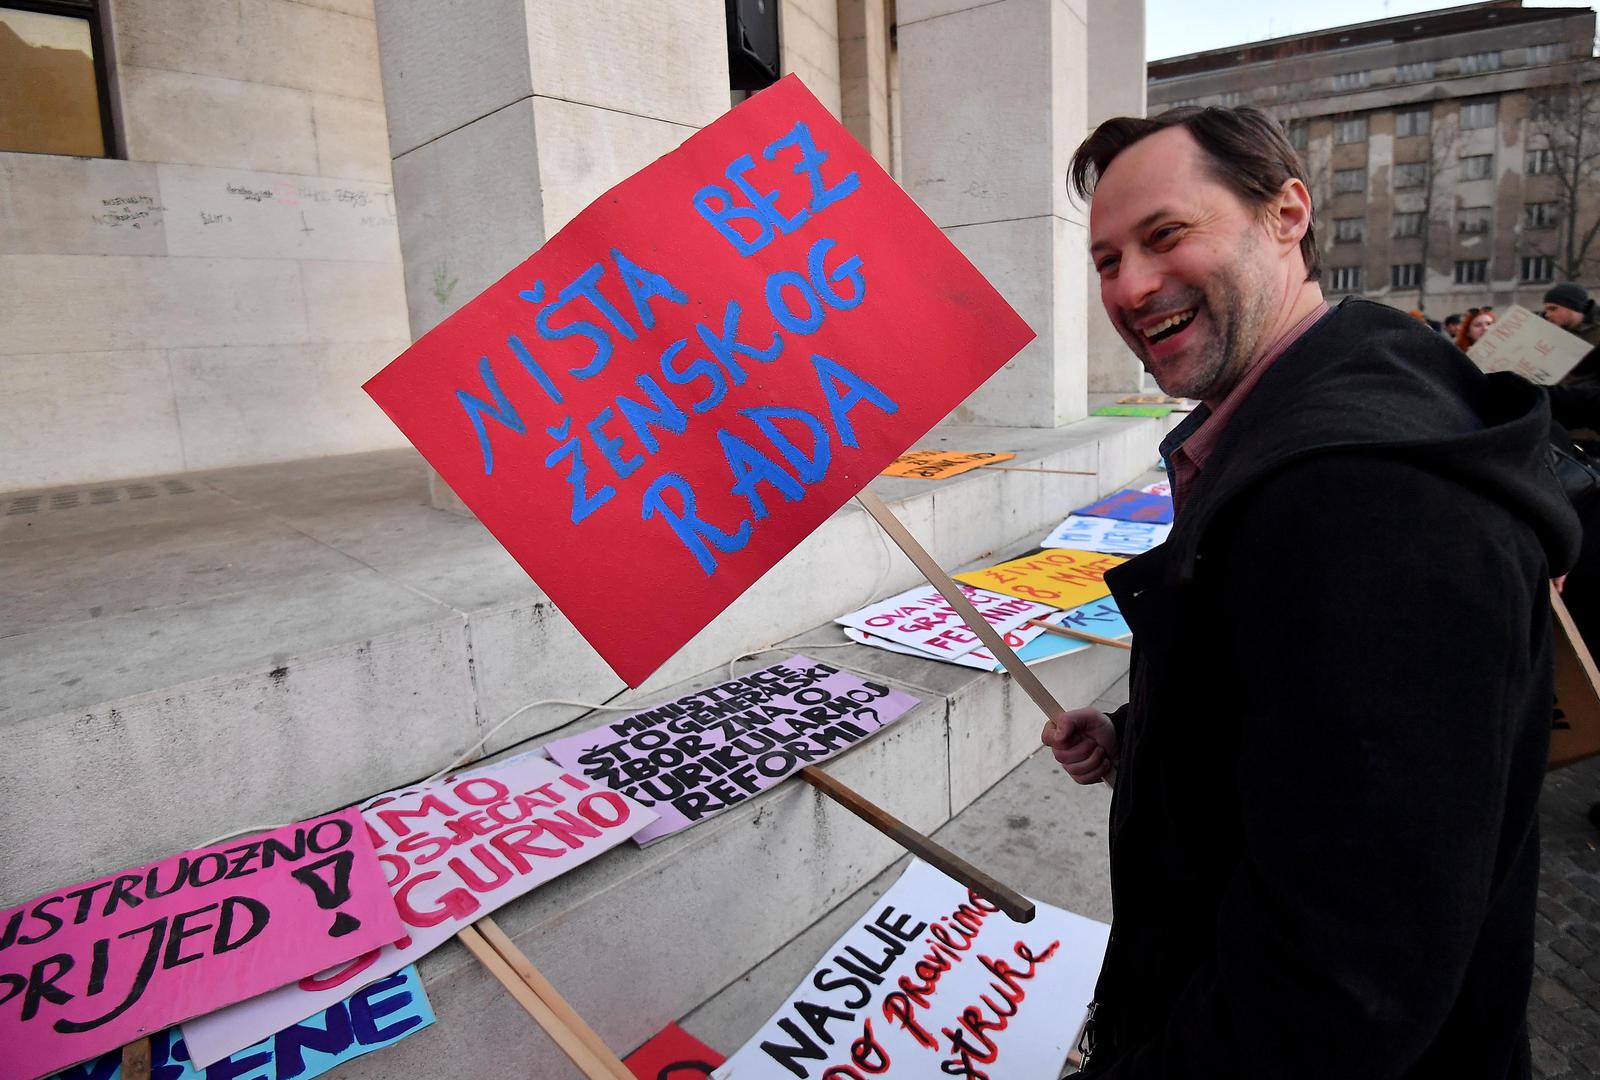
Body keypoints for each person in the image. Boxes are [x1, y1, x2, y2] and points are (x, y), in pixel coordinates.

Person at [1045, 105, 1580, 1078]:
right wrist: (1142, 737)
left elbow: (1335, 986)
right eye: (1106, 260)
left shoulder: (1365, 502)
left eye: (1165, 235)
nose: (1130, 287)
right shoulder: (1318, 420)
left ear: (1286, 213)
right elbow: (1310, 720)